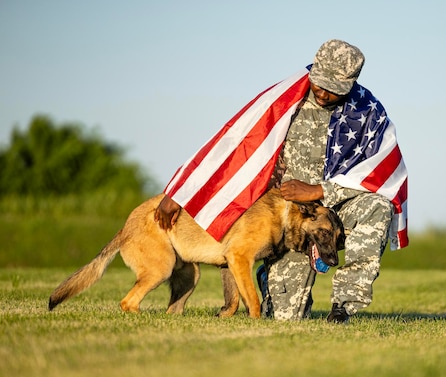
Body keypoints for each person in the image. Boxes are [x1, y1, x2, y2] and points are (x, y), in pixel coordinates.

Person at [155, 39, 408, 323]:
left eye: (334, 90)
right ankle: (268, 268)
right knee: (285, 317)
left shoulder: (369, 112)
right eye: (319, 84)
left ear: (351, 84)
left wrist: (319, 190)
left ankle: (343, 306)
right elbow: (236, 145)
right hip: (287, 220)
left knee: (377, 206)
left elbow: (381, 173)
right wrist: (181, 191)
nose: (323, 94)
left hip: (338, 209)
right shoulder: (286, 98)